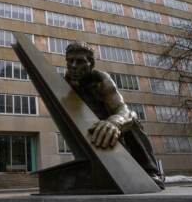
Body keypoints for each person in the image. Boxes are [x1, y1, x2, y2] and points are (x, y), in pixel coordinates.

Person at [64, 41, 165, 189]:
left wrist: (115, 122)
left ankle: (150, 171)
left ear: (90, 63)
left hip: (112, 128)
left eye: (79, 62)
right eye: (70, 61)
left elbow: (122, 110)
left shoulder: (101, 80)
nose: (73, 66)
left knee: (133, 119)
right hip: (91, 129)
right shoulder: (67, 82)